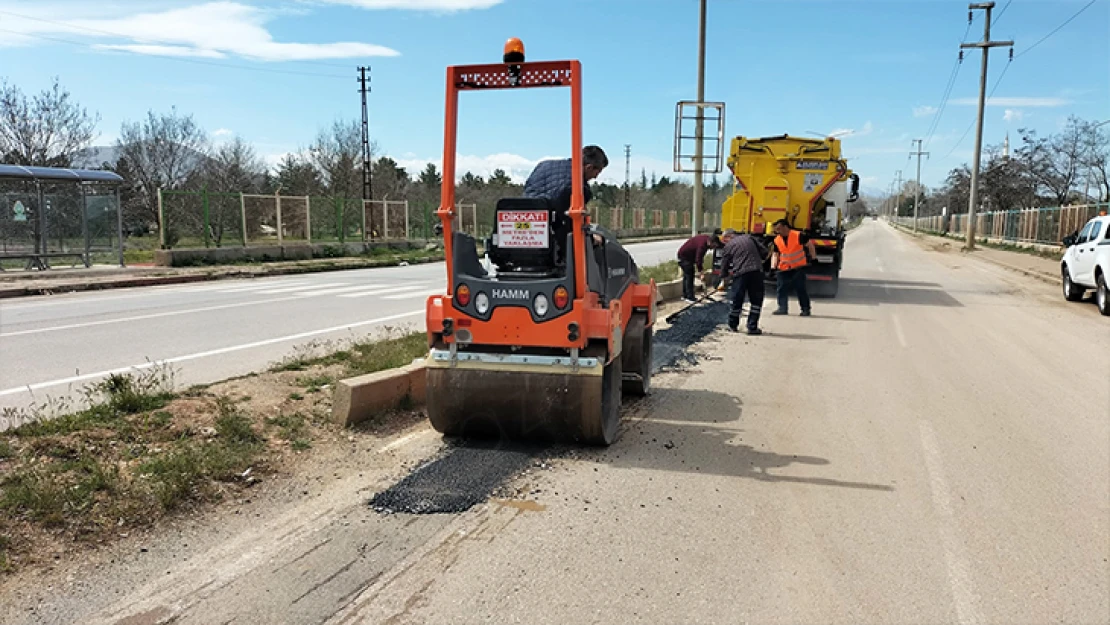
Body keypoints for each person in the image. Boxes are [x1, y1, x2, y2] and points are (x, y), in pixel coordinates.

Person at [523, 146, 608, 263]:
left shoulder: (543, 166)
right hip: (552, 247)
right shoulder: (579, 188)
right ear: (589, 167)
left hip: (524, 230)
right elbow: (573, 225)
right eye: (597, 172)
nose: (595, 177)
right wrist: (591, 239)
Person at [717, 228, 769, 335]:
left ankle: (733, 325)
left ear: (729, 237)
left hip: (741, 273)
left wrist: (724, 278)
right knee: (756, 300)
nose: (724, 242)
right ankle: (752, 327)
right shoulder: (749, 238)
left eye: (724, 240)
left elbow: (724, 265)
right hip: (757, 272)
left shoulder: (728, 246)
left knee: (737, 299)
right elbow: (764, 252)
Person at [770, 218, 816, 316]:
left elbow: (810, 246)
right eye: (776, 229)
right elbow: (775, 254)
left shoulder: (798, 235)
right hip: (783, 268)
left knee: (800, 288)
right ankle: (782, 308)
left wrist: (813, 258)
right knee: (781, 288)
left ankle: (805, 309)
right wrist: (773, 267)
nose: (777, 231)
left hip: (798, 267)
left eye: (779, 229)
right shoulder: (777, 240)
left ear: (786, 227)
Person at [676, 229, 723, 303]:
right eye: (714, 246)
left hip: (685, 256)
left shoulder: (707, 240)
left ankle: (685, 295)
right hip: (684, 257)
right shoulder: (702, 245)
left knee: (686, 276)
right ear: (711, 242)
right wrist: (701, 272)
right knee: (689, 276)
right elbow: (698, 259)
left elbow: (700, 258)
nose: (713, 248)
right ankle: (689, 297)